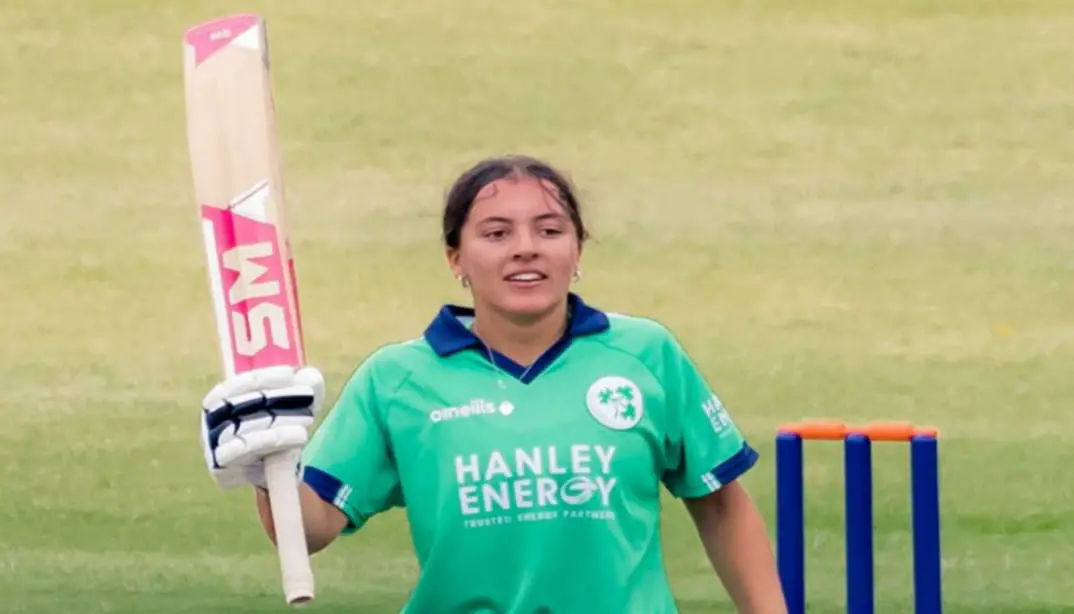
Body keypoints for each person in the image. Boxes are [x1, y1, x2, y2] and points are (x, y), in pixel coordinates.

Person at [199, 155, 788, 613]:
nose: (526, 248)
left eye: (550, 230)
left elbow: (720, 505)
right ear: (455, 257)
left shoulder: (645, 354)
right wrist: (266, 471)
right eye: (497, 233)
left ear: (577, 249)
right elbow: (311, 530)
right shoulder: (399, 379)